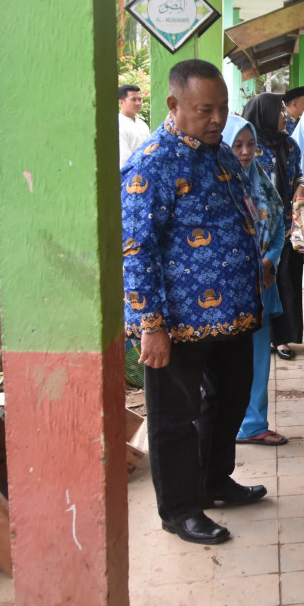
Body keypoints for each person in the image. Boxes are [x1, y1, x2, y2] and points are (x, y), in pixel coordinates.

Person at [121, 59, 266, 546]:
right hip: (178, 321)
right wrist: (151, 324)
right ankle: (180, 509)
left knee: (229, 400)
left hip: (232, 313)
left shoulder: (220, 153)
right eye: (205, 110)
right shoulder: (152, 163)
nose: (218, 119)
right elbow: (136, 247)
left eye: (223, 109)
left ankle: (213, 480)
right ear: (174, 105)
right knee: (173, 417)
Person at [224, 114, 289, 447]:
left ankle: (253, 423)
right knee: (226, 362)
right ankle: (225, 425)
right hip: (226, 291)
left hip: (262, 284)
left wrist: (269, 260)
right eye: (237, 144)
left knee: (259, 356)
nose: (246, 152)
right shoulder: (219, 182)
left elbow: (279, 227)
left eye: (250, 144)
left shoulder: (261, 181)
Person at [242, 92, 304, 361]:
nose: (285, 115)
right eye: (279, 111)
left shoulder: (289, 144)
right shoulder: (247, 144)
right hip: (255, 230)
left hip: (286, 226)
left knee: (286, 282)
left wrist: (302, 185)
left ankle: (282, 339)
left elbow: (297, 174)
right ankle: (256, 336)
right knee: (260, 283)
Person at [118, 83, 150, 166]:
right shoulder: (118, 125)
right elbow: (123, 158)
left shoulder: (142, 125)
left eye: (140, 99)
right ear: (121, 102)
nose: (138, 103)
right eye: (133, 99)